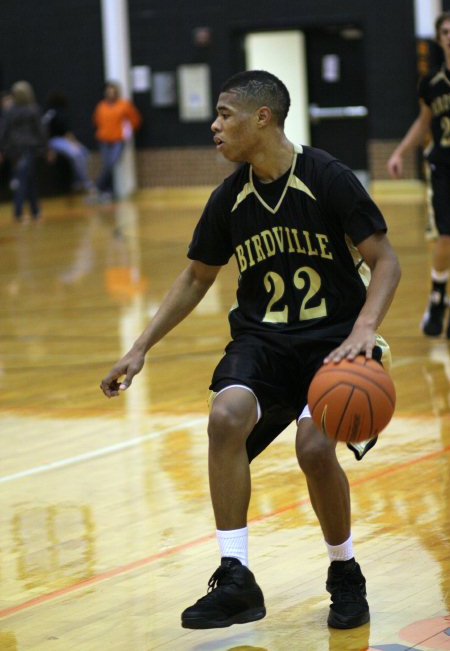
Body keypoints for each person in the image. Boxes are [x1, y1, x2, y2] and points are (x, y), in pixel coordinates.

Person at [100, 70, 401, 630]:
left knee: (314, 449)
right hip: (263, 341)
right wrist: (139, 347)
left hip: (333, 340)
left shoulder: (327, 177)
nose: (214, 127)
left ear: (262, 118)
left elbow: (386, 261)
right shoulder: (230, 198)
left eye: (224, 115)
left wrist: (365, 328)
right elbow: (196, 279)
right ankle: (236, 577)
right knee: (225, 415)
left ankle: (345, 571)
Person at [387, 11, 450, 337]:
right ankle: (438, 296)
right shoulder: (432, 84)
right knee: (445, 236)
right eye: (445, 31)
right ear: (440, 39)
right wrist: (399, 152)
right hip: (443, 166)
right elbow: (424, 123)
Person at [0, 81, 47, 221]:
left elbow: (4, 131)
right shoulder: (33, 109)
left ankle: (35, 210)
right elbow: (41, 131)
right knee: (24, 179)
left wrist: (2, 148)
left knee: (28, 178)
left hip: (14, 149)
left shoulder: (10, 111)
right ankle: (18, 212)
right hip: (28, 148)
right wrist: (45, 148)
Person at [92, 81, 141, 201]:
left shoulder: (124, 105)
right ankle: (109, 191)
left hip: (118, 139)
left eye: (112, 92)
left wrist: (128, 131)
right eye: (108, 92)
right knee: (107, 164)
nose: (110, 94)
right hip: (104, 139)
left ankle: (97, 187)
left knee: (111, 163)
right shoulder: (101, 106)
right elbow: (96, 120)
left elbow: (135, 119)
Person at [42, 91, 96, 197]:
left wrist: (75, 143)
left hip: (62, 139)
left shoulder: (60, 112)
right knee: (76, 154)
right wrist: (48, 148)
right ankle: (86, 183)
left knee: (85, 152)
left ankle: (77, 182)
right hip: (54, 140)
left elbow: (67, 132)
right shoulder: (51, 113)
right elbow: (47, 130)